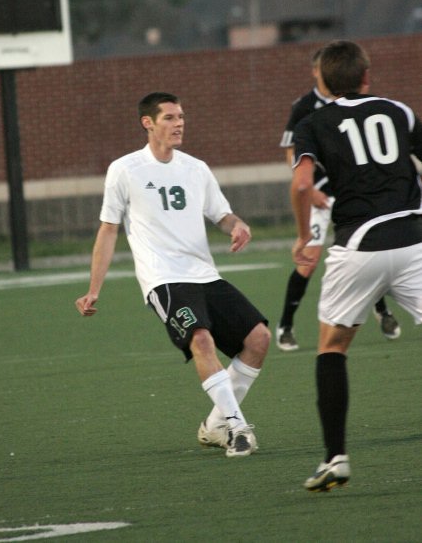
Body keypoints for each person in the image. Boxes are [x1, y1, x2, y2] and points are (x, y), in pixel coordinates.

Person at [75, 91, 271, 458]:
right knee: (201, 338)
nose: (178, 123)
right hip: (163, 279)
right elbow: (108, 229)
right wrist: (93, 289)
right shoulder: (125, 169)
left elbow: (221, 215)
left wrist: (237, 224)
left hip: (204, 274)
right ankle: (237, 427)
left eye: (181, 116)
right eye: (169, 117)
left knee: (259, 338)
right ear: (147, 123)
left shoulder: (195, 168)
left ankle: (216, 424)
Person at [290, 40, 422, 491]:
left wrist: (304, 235)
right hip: (413, 239)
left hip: (359, 245)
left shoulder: (313, 122)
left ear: (322, 83)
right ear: (368, 77)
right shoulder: (400, 111)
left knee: (332, 347)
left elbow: (302, 182)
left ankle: (335, 458)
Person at [277, 48, 400, 351]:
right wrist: (312, 188)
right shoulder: (305, 108)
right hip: (319, 191)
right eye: (319, 68)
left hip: (354, 190)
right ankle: (285, 325)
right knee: (309, 259)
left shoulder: (363, 105)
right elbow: (292, 153)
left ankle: (382, 311)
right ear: (315, 71)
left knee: (371, 243)